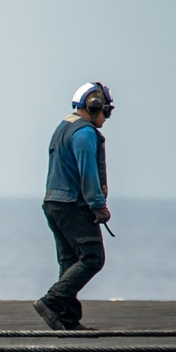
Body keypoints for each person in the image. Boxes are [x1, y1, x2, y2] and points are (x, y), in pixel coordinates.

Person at [34, 82, 114, 332]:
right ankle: (52, 301)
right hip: (71, 205)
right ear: (94, 107)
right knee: (92, 257)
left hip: (53, 203)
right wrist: (98, 206)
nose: (106, 117)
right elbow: (88, 173)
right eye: (106, 111)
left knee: (69, 261)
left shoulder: (63, 127)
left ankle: (68, 319)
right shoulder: (85, 133)